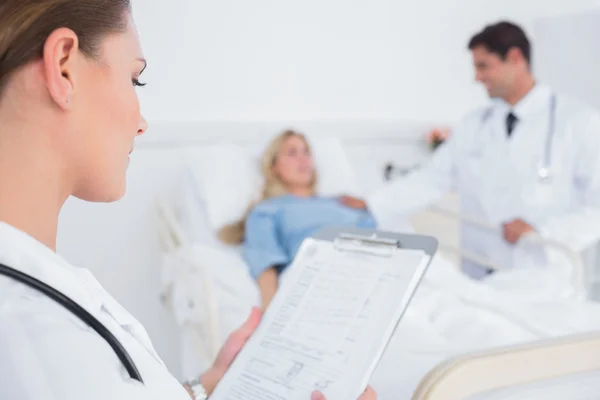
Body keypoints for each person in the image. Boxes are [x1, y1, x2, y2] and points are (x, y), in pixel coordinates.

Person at [0, 1, 376, 399]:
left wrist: (206, 386)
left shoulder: (39, 306)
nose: (142, 123)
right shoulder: (35, 337)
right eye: (134, 79)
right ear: (63, 68)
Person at [342, 21, 600, 280]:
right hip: (479, 271)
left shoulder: (578, 122)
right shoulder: (474, 124)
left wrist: (543, 233)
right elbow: (431, 178)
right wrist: (372, 203)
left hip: (541, 273)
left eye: (483, 66)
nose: (477, 77)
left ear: (515, 58)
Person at [218, 130, 377, 309]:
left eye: (306, 152)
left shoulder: (345, 202)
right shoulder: (267, 211)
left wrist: (369, 205)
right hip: (329, 281)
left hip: (376, 272)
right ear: (274, 166)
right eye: (292, 153)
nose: (303, 159)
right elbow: (266, 268)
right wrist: (271, 321)